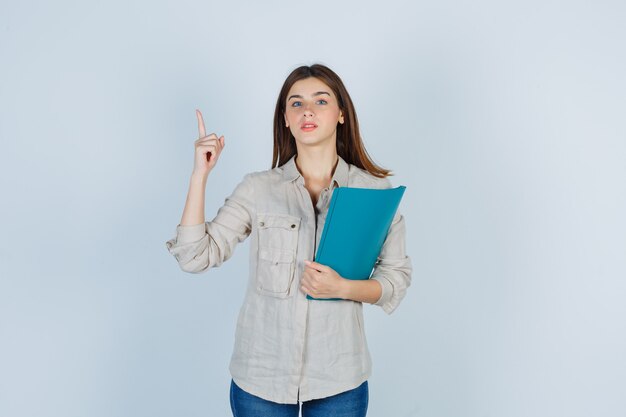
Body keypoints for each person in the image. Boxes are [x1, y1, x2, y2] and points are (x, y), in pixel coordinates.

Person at [165, 63, 412, 417]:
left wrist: (343, 288)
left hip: (339, 380)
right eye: (295, 103)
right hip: (260, 379)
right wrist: (199, 175)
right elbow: (194, 256)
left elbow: (396, 279)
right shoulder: (257, 189)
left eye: (321, 101)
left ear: (342, 113)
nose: (307, 110)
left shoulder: (373, 192)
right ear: (285, 118)